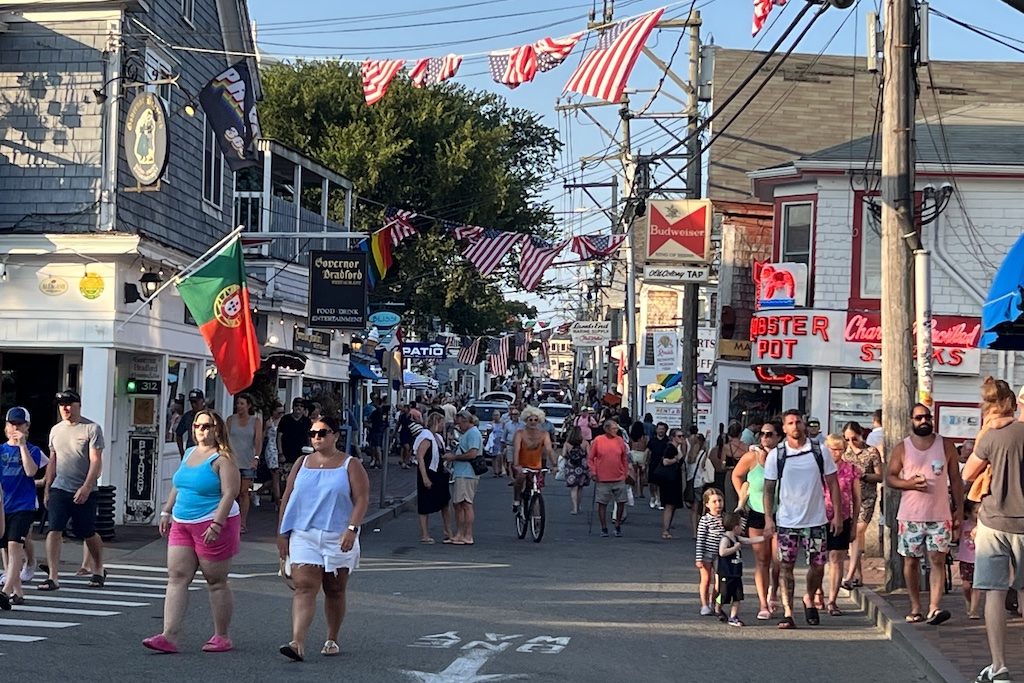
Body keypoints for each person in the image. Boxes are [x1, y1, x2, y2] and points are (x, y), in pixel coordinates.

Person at [144, 409, 241, 653]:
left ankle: (222, 635)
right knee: (177, 576)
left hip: (212, 521)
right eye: (198, 425)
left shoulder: (222, 458)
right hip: (182, 521)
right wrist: (167, 511)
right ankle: (169, 635)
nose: (201, 430)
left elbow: (230, 493)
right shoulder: (189, 453)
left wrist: (217, 524)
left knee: (215, 581)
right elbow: (179, 485)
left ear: (217, 429)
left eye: (207, 426)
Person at [277, 416, 369, 661]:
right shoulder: (302, 462)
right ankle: (297, 642)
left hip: (337, 535)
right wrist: (282, 533)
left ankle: (332, 637)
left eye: (322, 433)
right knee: (304, 588)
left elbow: (361, 498)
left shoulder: (350, 464)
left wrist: (352, 528)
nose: (316, 437)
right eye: (313, 433)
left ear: (336, 436)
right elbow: (287, 498)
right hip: (303, 533)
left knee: (335, 589)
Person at [961, 377, 1024, 683]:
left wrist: (987, 436)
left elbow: (967, 473)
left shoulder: (991, 436)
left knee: (995, 593)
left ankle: (999, 666)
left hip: (994, 520)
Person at [763, 409, 843, 630]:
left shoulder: (819, 451)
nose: (795, 426)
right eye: (790, 423)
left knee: (818, 567)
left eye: (798, 422)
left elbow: (833, 483)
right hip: (788, 521)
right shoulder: (776, 455)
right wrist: (769, 519)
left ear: (804, 424)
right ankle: (788, 613)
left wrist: (837, 513)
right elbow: (769, 489)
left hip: (816, 519)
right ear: (784, 428)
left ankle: (809, 597)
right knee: (785, 566)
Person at [886, 402, 962, 626]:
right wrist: (908, 483)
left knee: (937, 559)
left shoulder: (945, 445)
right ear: (911, 420)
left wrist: (958, 508)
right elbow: (890, 476)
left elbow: (955, 478)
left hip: (940, 514)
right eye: (918, 418)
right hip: (910, 515)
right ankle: (916, 606)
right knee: (910, 562)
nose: (923, 421)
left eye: (927, 417)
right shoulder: (903, 447)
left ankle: (934, 607)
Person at [40, 389, 106, 591]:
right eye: (62, 405)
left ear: (78, 405)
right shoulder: (56, 430)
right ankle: (53, 576)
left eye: (69, 404)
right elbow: (53, 460)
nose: (65, 408)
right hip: (60, 487)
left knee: (87, 532)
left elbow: (96, 462)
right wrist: (47, 488)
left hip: (85, 488)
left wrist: (86, 487)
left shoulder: (91, 429)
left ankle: (98, 568)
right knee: (54, 529)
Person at [732, 421, 782, 620]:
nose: (765, 438)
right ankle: (763, 603)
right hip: (757, 512)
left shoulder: (783, 457)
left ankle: (774, 591)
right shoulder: (751, 457)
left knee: (779, 559)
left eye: (769, 434)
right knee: (762, 560)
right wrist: (744, 496)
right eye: (762, 434)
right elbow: (736, 475)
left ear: (778, 437)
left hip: (780, 513)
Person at [1, 407, 45, 606]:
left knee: (14, 545)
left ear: (26, 426)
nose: (14, 428)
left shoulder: (33, 450)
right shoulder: (1, 450)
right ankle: (17, 591)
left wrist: (22, 446)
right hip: (4, 505)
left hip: (23, 505)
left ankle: (5, 591)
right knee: (5, 548)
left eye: (19, 424)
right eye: (11, 424)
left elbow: (30, 471)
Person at [822, 433, 861, 617]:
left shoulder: (851, 470)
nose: (836, 453)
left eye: (839, 449)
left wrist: (854, 524)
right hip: (820, 517)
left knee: (837, 558)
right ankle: (817, 592)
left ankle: (832, 600)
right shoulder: (818, 468)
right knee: (819, 559)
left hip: (842, 517)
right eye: (832, 449)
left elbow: (857, 498)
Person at [841, 421, 884, 589]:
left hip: (866, 497)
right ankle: (858, 573)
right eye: (848, 440)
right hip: (849, 498)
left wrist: (864, 476)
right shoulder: (845, 454)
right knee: (852, 538)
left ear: (861, 435)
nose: (851, 443)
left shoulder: (871, 452)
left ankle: (850, 576)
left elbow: (880, 477)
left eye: (854, 439)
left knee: (858, 532)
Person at [718, 511, 766, 627]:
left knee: (737, 596)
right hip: (726, 573)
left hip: (736, 573)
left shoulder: (737, 538)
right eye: (741, 525)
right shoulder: (726, 539)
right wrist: (734, 548)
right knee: (724, 595)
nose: (742, 528)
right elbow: (722, 552)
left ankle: (733, 616)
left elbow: (749, 540)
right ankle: (717, 607)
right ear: (735, 527)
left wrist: (764, 538)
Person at [445, 410, 484, 545]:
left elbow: (472, 454)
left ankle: (467, 535)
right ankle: (460, 533)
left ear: (466, 421)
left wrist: (454, 457)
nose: (458, 426)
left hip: (467, 473)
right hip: (462, 473)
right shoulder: (468, 433)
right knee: (459, 504)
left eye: (460, 423)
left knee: (465, 504)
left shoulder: (472, 434)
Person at [227, 393, 263, 534]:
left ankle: (242, 523)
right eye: (238, 403)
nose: (239, 406)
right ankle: (229, 520)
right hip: (232, 461)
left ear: (248, 406)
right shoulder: (231, 420)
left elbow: (258, 441)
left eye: (242, 404)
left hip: (247, 460)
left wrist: (256, 458)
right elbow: (225, 438)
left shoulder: (255, 422)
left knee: (243, 492)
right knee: (231, 492)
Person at [588, 419, 630, 538]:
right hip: (603, 477)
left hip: (619, 476)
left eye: (616, 428)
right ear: (606, 429)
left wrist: (625, 472)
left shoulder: (620, 440)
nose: (616, 431)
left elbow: (624, 458)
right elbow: (590, 458)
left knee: (621, 502)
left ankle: (617, 525)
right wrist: (593, 472)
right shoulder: (598, 440)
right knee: (602, 503)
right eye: (613, 429)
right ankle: (604, 527)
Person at [416, 413, 452, 544]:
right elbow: (420, 457)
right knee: (425, 503)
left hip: (440, 474)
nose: (443, 425)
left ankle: (448, 531)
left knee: (445, 502)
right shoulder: (426, 437)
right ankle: (424, 534)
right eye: (441, 422)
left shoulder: (439, 438)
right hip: (429, 473)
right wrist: (425, 477)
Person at [695, 487, 725, 617]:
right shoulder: (705, 520)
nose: (718, 504)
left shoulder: (725, 519)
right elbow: (700, 540)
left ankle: (713, 602)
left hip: (720, 555)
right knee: (706, 579)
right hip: (707, 554)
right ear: (707, 504)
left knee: (719, 581)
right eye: (714, 501)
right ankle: (704, 604)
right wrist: (699, 557)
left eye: (720, 501)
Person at [654, 430, 686, 540]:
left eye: (682, 436)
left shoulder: (677, 448)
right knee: (669, 505)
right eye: (679, 436)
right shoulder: (670, 448)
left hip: (674, 479)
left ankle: (667, 530)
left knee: (672, 505)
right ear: (673, 437)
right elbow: (665, 461)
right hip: (669, 480)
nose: (682, 438)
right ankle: (665, 530)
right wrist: (676, 460)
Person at [958, 499, 981, 620]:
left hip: (980, 559)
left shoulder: (983, 525)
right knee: (966, 586)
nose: (979, 515)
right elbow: (955, 535)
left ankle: (974, 609)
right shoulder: (963, 524)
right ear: (968, 513)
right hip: (965, 559)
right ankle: (969, 601)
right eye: (976, 512)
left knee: (977, 585)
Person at [277, 398, 312, 474]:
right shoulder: (285, 419)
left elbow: (310, 438)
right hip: (286, 456)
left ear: (304, 409)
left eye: (301, 406)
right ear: (293, 407)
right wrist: (280, 453)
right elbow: (279, 437)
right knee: (285, 479)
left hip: (302, 457)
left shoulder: (307, 421)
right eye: (296, 405)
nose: (298, 408)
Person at [561, 426, 590, 515]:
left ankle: (574, 508)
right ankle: (578, 505)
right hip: (582, 467)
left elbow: (563, 454)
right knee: (580, 488)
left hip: (571, 467)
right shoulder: (585, 443)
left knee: (573, 488)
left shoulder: (567, 443)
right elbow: (589, 455)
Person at [264, 403, 285, 509]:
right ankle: (278, 501)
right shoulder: (269, 422)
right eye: (279, 411)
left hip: (281, 447)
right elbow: (263, 436)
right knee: (275, 474)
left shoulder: (284, 421)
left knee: (281, 475)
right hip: (271, 448)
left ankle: (259, 491)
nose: (281, 414)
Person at [175, 389, 206, 458]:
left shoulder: (211, 416)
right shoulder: (187, 416)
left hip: (207, 453)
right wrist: (182, 453)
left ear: (203, 401)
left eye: (196, 402)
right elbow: (178, 434)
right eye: (192, 402)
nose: (193, 405)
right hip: (191, 453)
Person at [647, 422, 670, 510]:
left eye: (662, 429)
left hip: (663, 465)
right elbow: (647, 451)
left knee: (661, 483)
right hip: (653, 463)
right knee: (652, 483)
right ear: (656, 430)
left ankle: (660, 500)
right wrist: (645, 462)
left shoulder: (668, 441)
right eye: (659, 429)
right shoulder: (652, 440)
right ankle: (653, 496)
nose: (661, 431)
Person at [500, 407, 525, 481]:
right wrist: (502, 445)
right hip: (510, 445)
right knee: (510, 462)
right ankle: (512, 478)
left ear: (519, 415)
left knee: (518, 462)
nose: (514, 416)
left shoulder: (523, 425)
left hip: (520, 446)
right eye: (512, 414)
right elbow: (504, 435)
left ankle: (517, 476)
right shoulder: (508, 425)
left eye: (516, 414)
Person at [627, 421, 649, 501]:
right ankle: (642, 492)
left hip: (633, 453)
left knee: (634, 474)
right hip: (642, 454)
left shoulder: (631, 437)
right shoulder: (645, 437)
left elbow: (629, 446)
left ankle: (634, 491)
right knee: (642, 475)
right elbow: (647, 446)